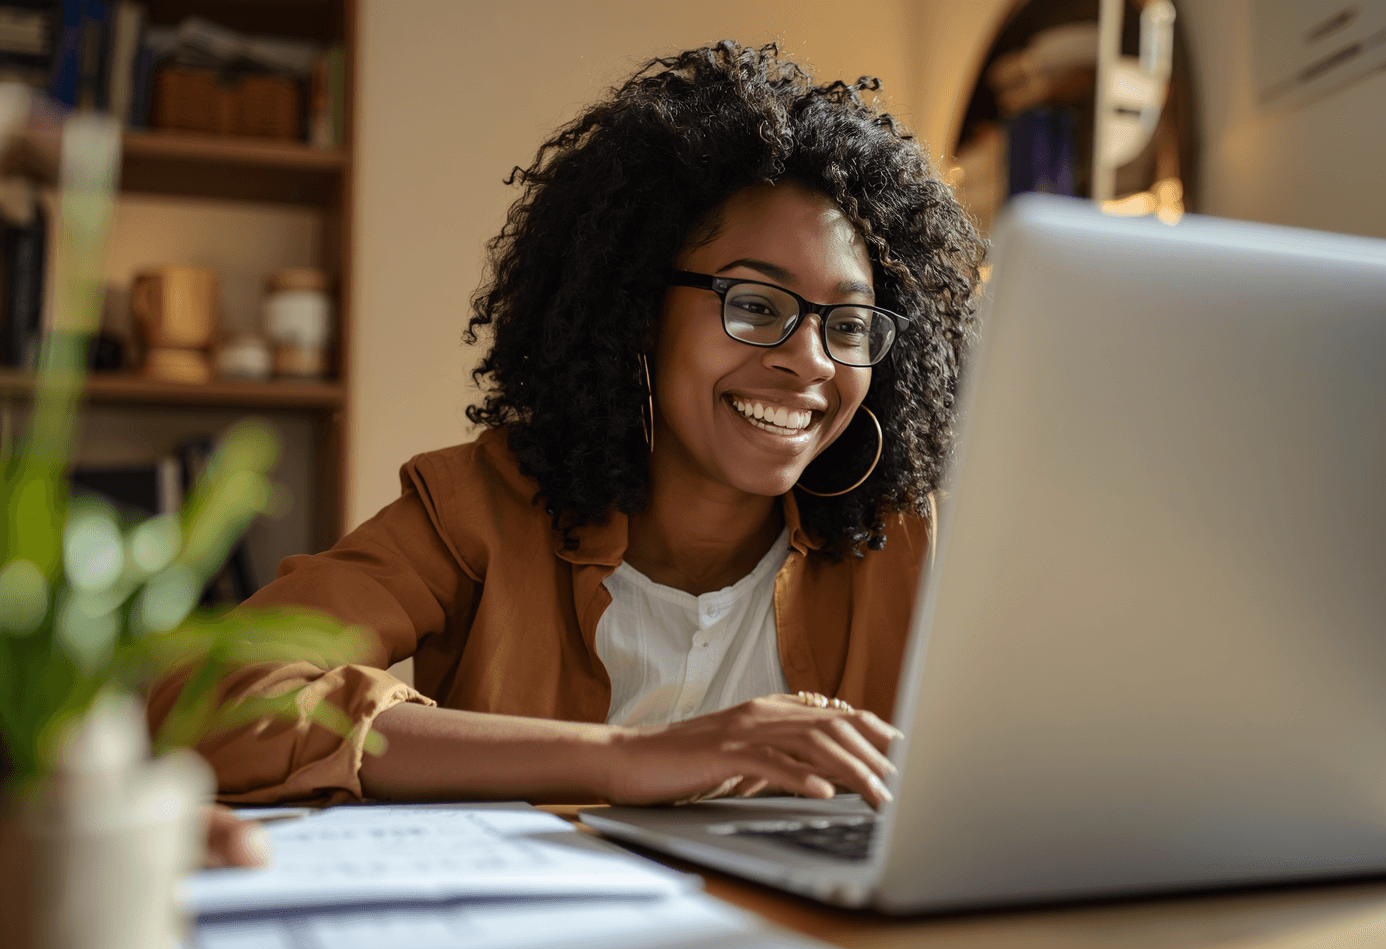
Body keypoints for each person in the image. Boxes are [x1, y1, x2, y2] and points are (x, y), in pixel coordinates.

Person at [150, 42, 983, 809]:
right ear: (633, 310)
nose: (811, 361)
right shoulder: (475, 507)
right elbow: (207, 703)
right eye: (755, 304)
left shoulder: (909, 543)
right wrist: (622, 757)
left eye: (848, 325)